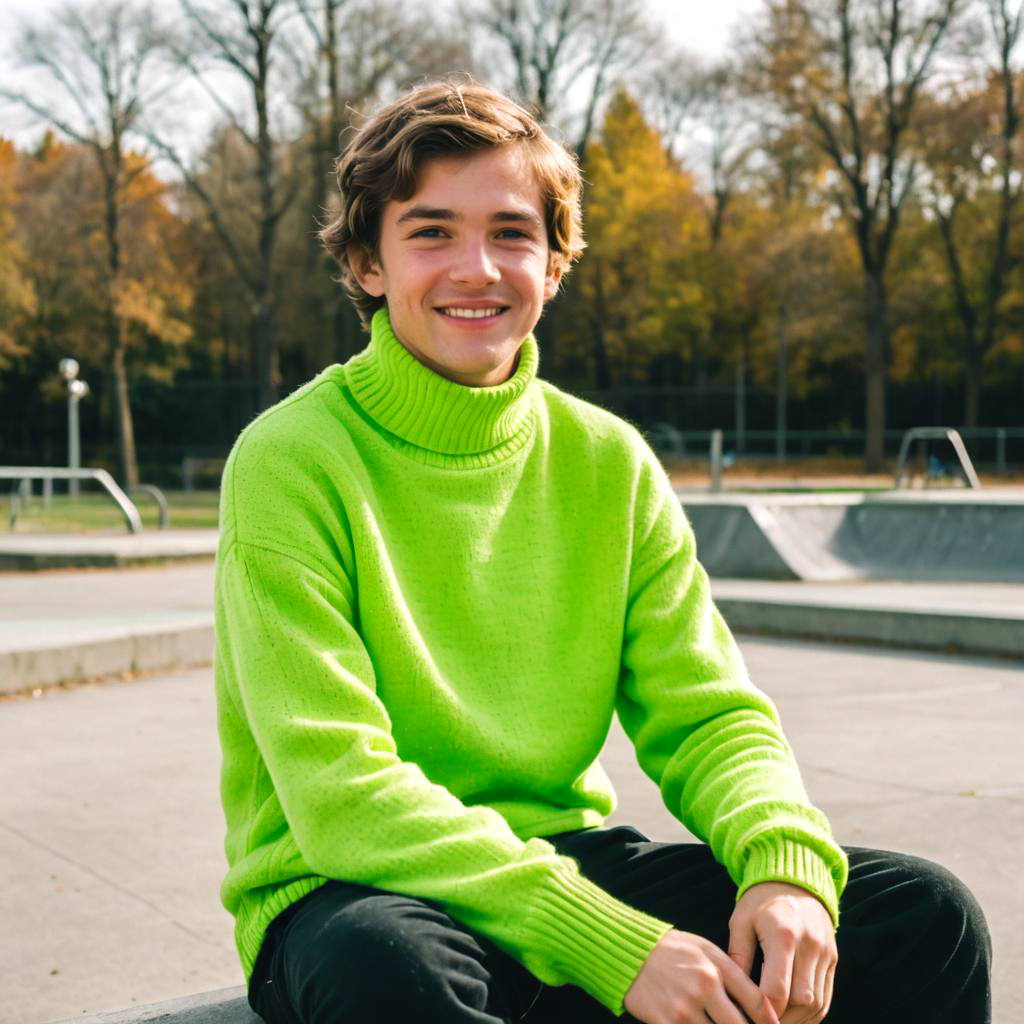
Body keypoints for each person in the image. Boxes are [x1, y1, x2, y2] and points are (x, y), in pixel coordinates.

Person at [213, 79, 991, 1024]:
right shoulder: (291, 460)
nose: (477, 268)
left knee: (924, 917)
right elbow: (342, 792)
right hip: (354, 889)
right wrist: (609, 942)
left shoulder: (607, 460)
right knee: (391, 976)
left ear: (552, 263)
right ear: (368, 263)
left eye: (510, 233)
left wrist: (781, 863)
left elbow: (707, 715)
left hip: (564, 861)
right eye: (430, 233)